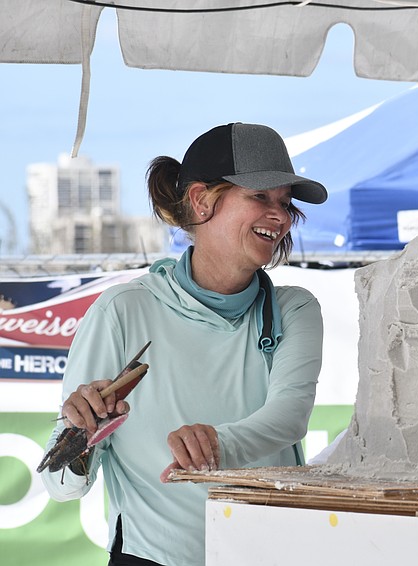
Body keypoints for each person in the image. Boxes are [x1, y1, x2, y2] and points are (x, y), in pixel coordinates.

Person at [40, 122, 327, 566]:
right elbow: (61, 486)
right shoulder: (122, 310)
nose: (282, 216)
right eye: (260, 197)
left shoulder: (295, 308)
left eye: (285, 203)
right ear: (201, 200)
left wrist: (216, 443)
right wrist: (83, 435)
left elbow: (288, 417)